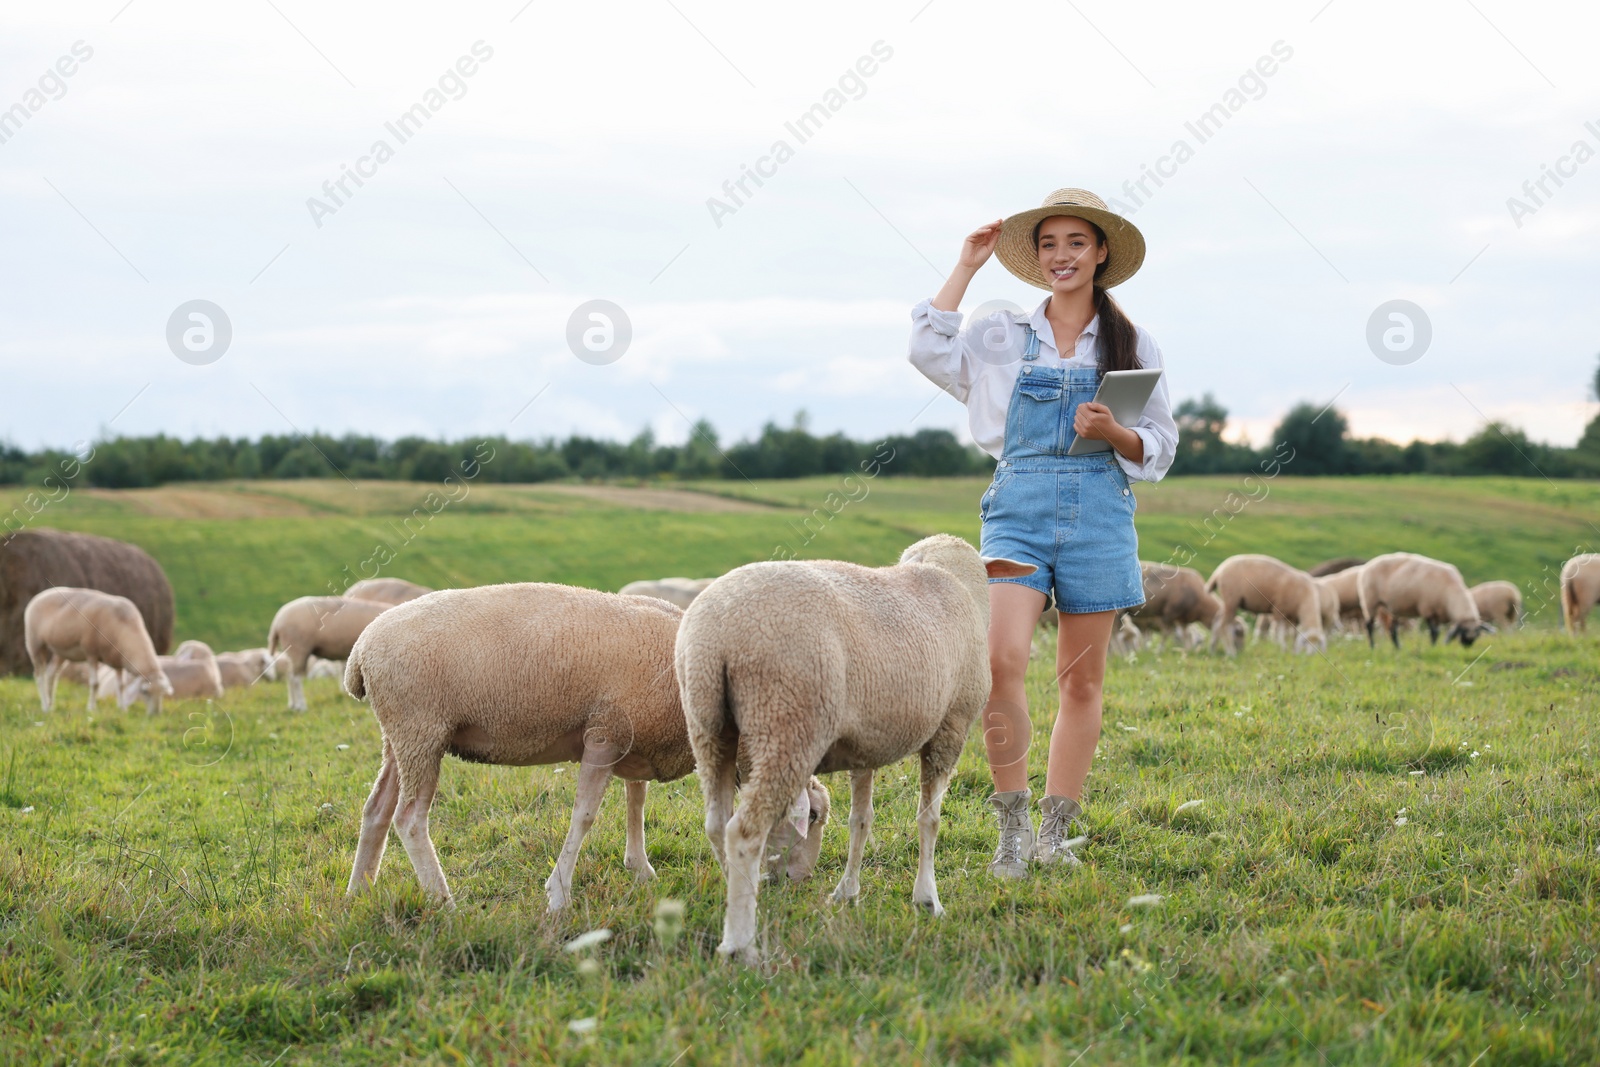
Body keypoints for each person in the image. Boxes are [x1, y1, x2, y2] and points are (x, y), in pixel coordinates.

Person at [907, 188, 1178, 878]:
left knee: (1081, 683)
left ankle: (1056, 835)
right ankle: (1012, 830)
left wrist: (1112, 431)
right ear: (1036, 258)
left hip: (1099, 514)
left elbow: (1160, 447)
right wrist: (966, 266)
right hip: (1016, 512)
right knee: (1002, 661)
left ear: (1101, 253)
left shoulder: (1132, 342)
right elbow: (926, 348)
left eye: (1076, 243)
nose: (1063, 256)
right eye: (1050, 244)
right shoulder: (1000, 335)